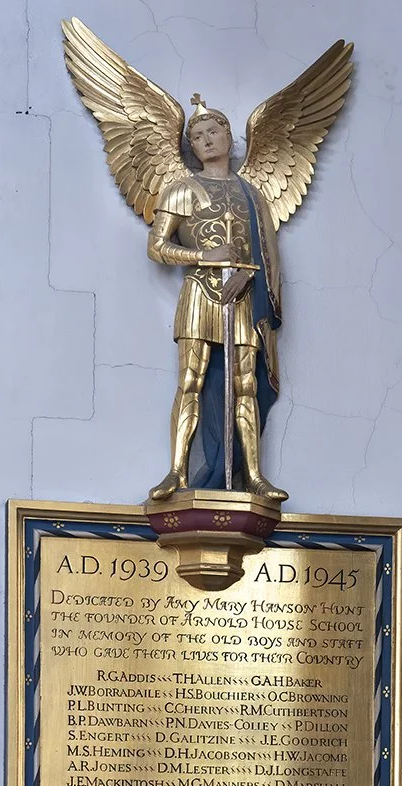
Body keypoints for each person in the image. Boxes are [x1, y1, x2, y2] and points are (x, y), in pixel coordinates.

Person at [147, 100, 287, 501]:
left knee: (245, 385)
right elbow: (157, 247)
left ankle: (254, 476)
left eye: (213, 132)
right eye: (197, 136)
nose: (205, 140)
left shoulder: (252, 194)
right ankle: (177, 473)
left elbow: (263, 251)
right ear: (190, 146)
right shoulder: (181, 189)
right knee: (190, 381)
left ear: (229, 137)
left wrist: (249, 273)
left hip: (240, 296)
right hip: (199, 293)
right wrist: (201, 257)